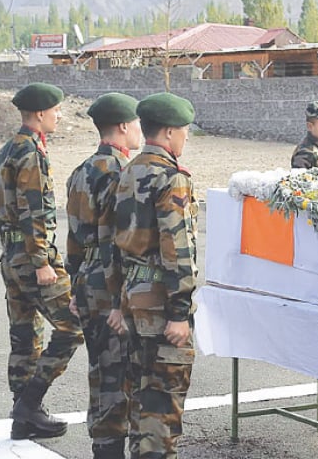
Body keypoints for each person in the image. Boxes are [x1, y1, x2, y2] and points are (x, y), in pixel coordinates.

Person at [0, 82, 84, 440]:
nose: (59, 115)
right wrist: (43, 261)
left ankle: (24, 417)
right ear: (41, 113)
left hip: (12, 256)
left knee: (25, 335)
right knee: (72, 326)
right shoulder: (30, 152)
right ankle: (29, 404)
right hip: (32, 258)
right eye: (57, 110)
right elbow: (33, 210)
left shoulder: (6, 150)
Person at [114, 92, 198, 459]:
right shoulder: (171, 179)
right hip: (161, 304)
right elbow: (177, 250)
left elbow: (114, 243)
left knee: (140, 400)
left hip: (133, 297)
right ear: (167, 133)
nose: (185, 138)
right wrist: (180, 313)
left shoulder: (129, 170)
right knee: (162, 407)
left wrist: (120, 302)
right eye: (183, 131)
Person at [66, 93, 143, 459]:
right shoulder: (120, 173)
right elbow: (119, 241)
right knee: (117, 375)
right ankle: (109, 450)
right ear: (125, 126)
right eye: (137, 123)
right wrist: (121, 299)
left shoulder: (80, 171)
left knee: (100, 370)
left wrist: (73, 285)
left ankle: (102, 445)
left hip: (86, 281)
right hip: (110, 284)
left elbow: (73, 237)